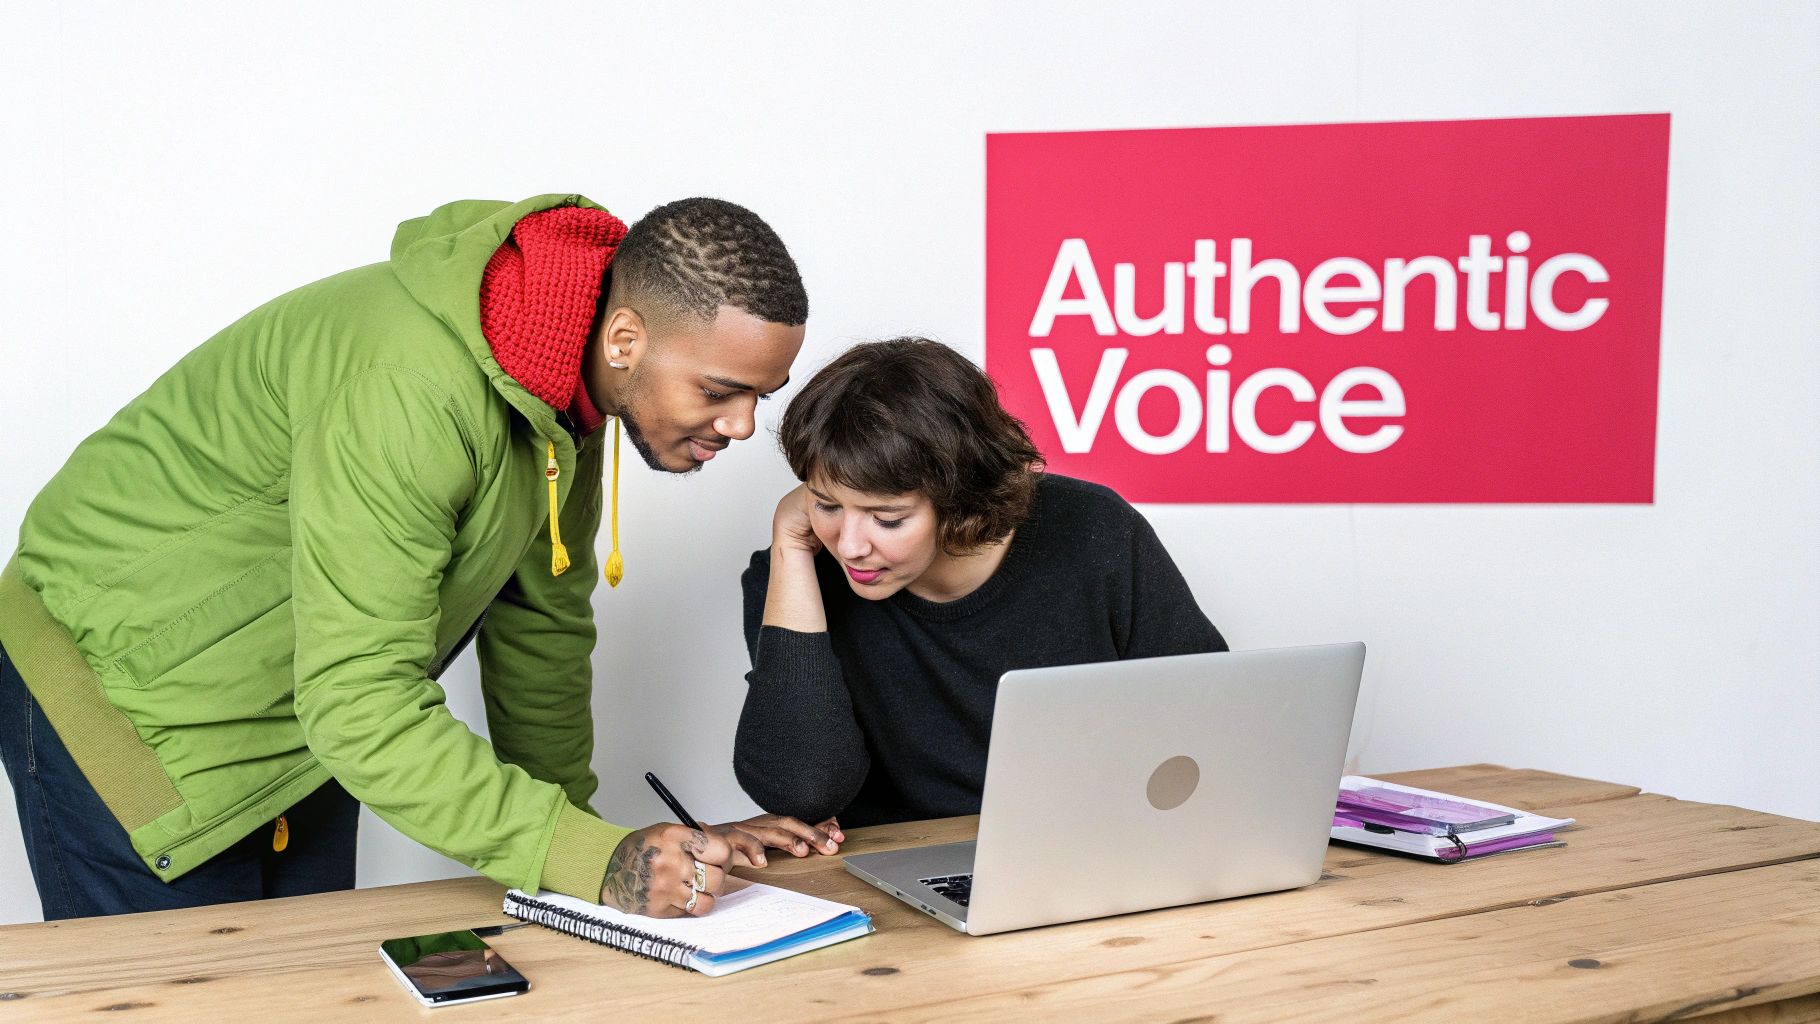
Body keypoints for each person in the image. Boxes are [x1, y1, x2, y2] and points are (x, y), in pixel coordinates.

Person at [0, 193, 841, 922]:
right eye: (718, 390)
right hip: (120, 698)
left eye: (757, 398)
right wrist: (587, 858)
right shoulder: (410, 392)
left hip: (304, 712)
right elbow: (360, 701)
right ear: (625, 338)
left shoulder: (563, 407)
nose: (740, 426)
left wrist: (603, 858)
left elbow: (541, 639)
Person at [735, 338, 1229, 828]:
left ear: (958, 499)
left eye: (887, 519)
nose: (850, 546)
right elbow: (803, 791)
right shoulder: (793, 577)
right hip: (896, 868)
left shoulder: (1092, 530)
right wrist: (791, 548)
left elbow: (1208, 722)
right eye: (826, 505)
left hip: (1088, 843)